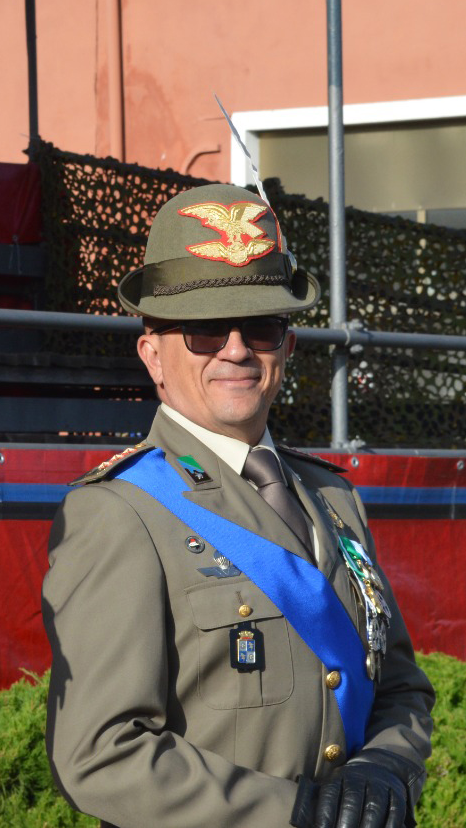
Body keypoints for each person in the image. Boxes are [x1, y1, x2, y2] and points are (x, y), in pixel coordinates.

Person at [43, 183, 433, 828]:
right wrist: (291, 812)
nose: (235, 349)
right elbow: (100, 754)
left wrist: (386, 766)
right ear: (152, 355)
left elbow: (398, 684)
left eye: (261, 327)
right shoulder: (121, 512)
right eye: (202, 330)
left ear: (288, 347)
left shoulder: (332, 496)